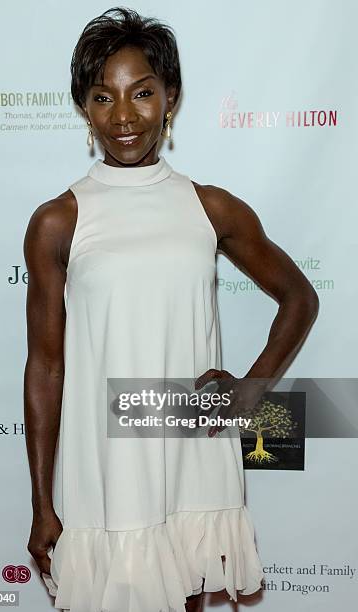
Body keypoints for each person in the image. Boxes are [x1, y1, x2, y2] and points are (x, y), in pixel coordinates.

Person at [23, 7, 319, 612]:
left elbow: (299, 297)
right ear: (84, 106)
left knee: (184, 595)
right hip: (106, 465)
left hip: (190, 447)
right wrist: (41, 502)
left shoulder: (209, 207)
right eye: (104, 97)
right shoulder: (59, 220)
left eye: (144, 93)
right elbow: (46, 369)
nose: (125, 117)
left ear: (171, 99)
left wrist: (253, 389)